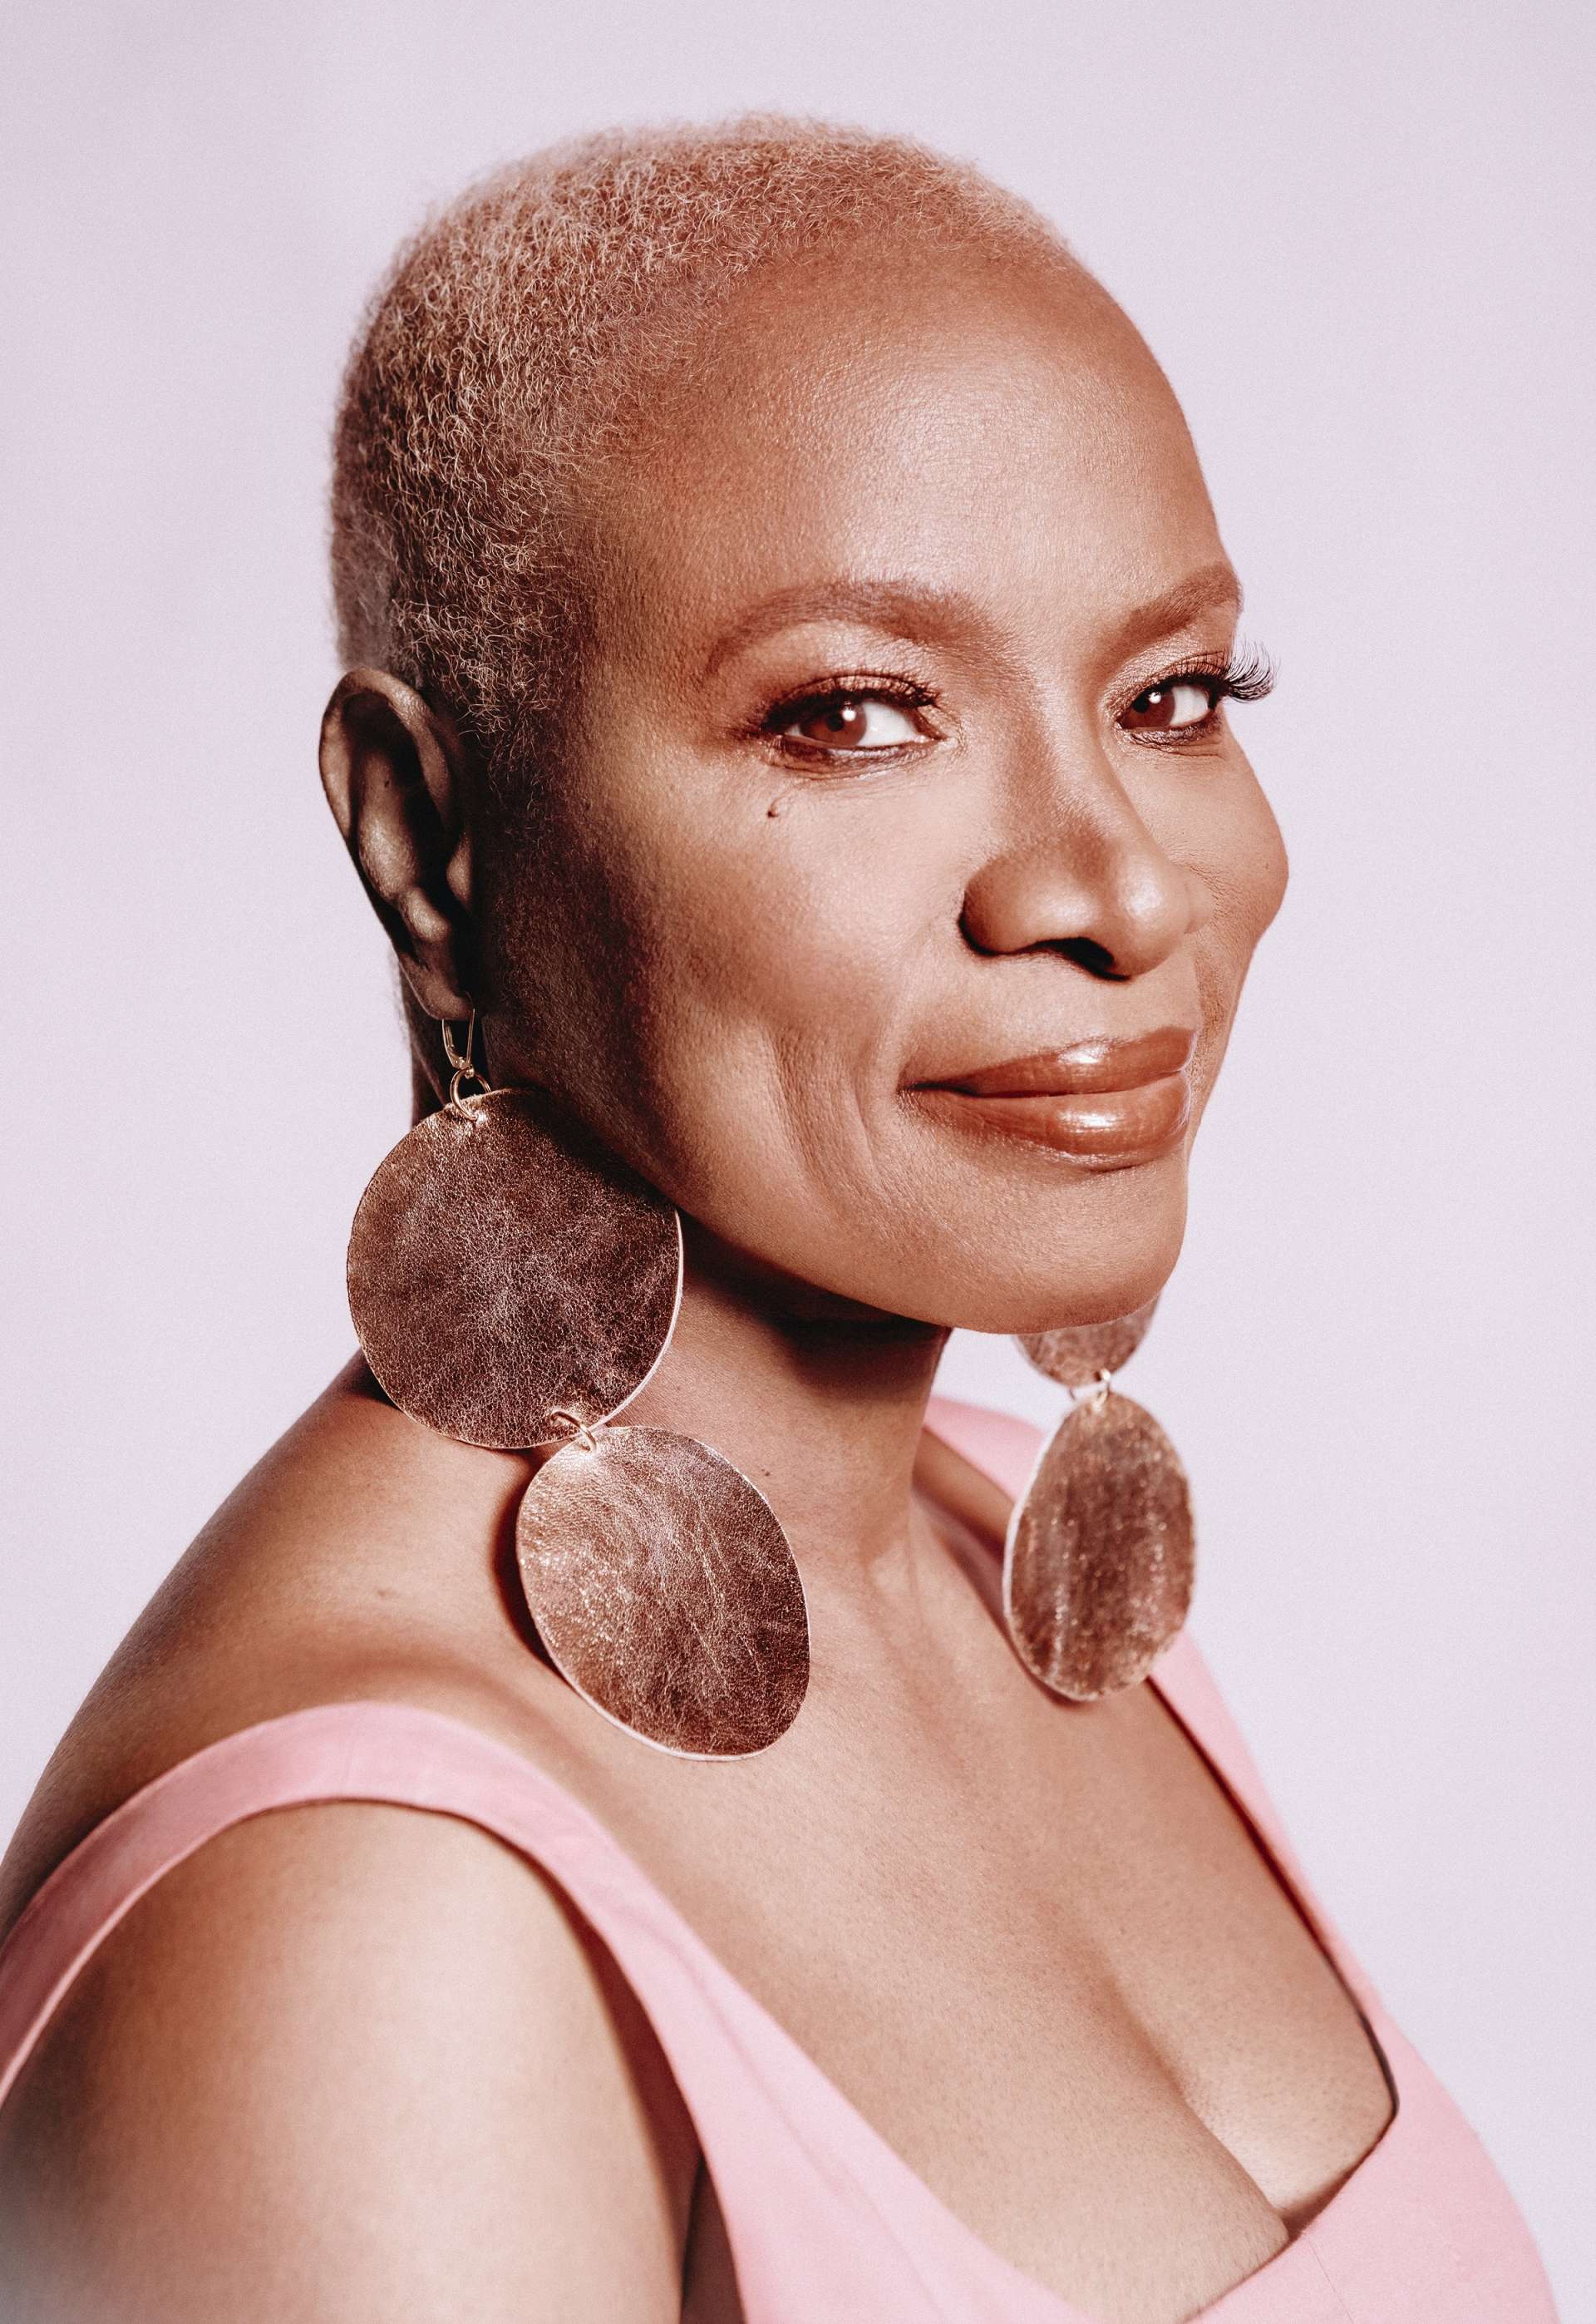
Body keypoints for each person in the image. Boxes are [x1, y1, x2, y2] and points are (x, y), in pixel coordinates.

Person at [0, 118, 1557, 2323]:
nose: (1108, 885)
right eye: (852, 715)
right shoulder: (371, 1934)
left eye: (1176, 693)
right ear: (428, 834)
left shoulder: (1012, 1561)